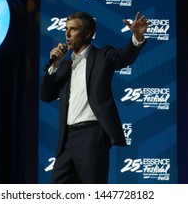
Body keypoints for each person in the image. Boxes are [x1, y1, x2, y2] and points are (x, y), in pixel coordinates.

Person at [40, 11, 150, 184]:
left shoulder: (102, 56)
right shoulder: (65, 65)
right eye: (66, 29)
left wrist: (136, 36)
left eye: (73, 29)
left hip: (92, 136)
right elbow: (46, 95)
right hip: (66, 139)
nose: (67, 34)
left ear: (87, 33)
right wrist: (54, 66)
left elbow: (124, 57)